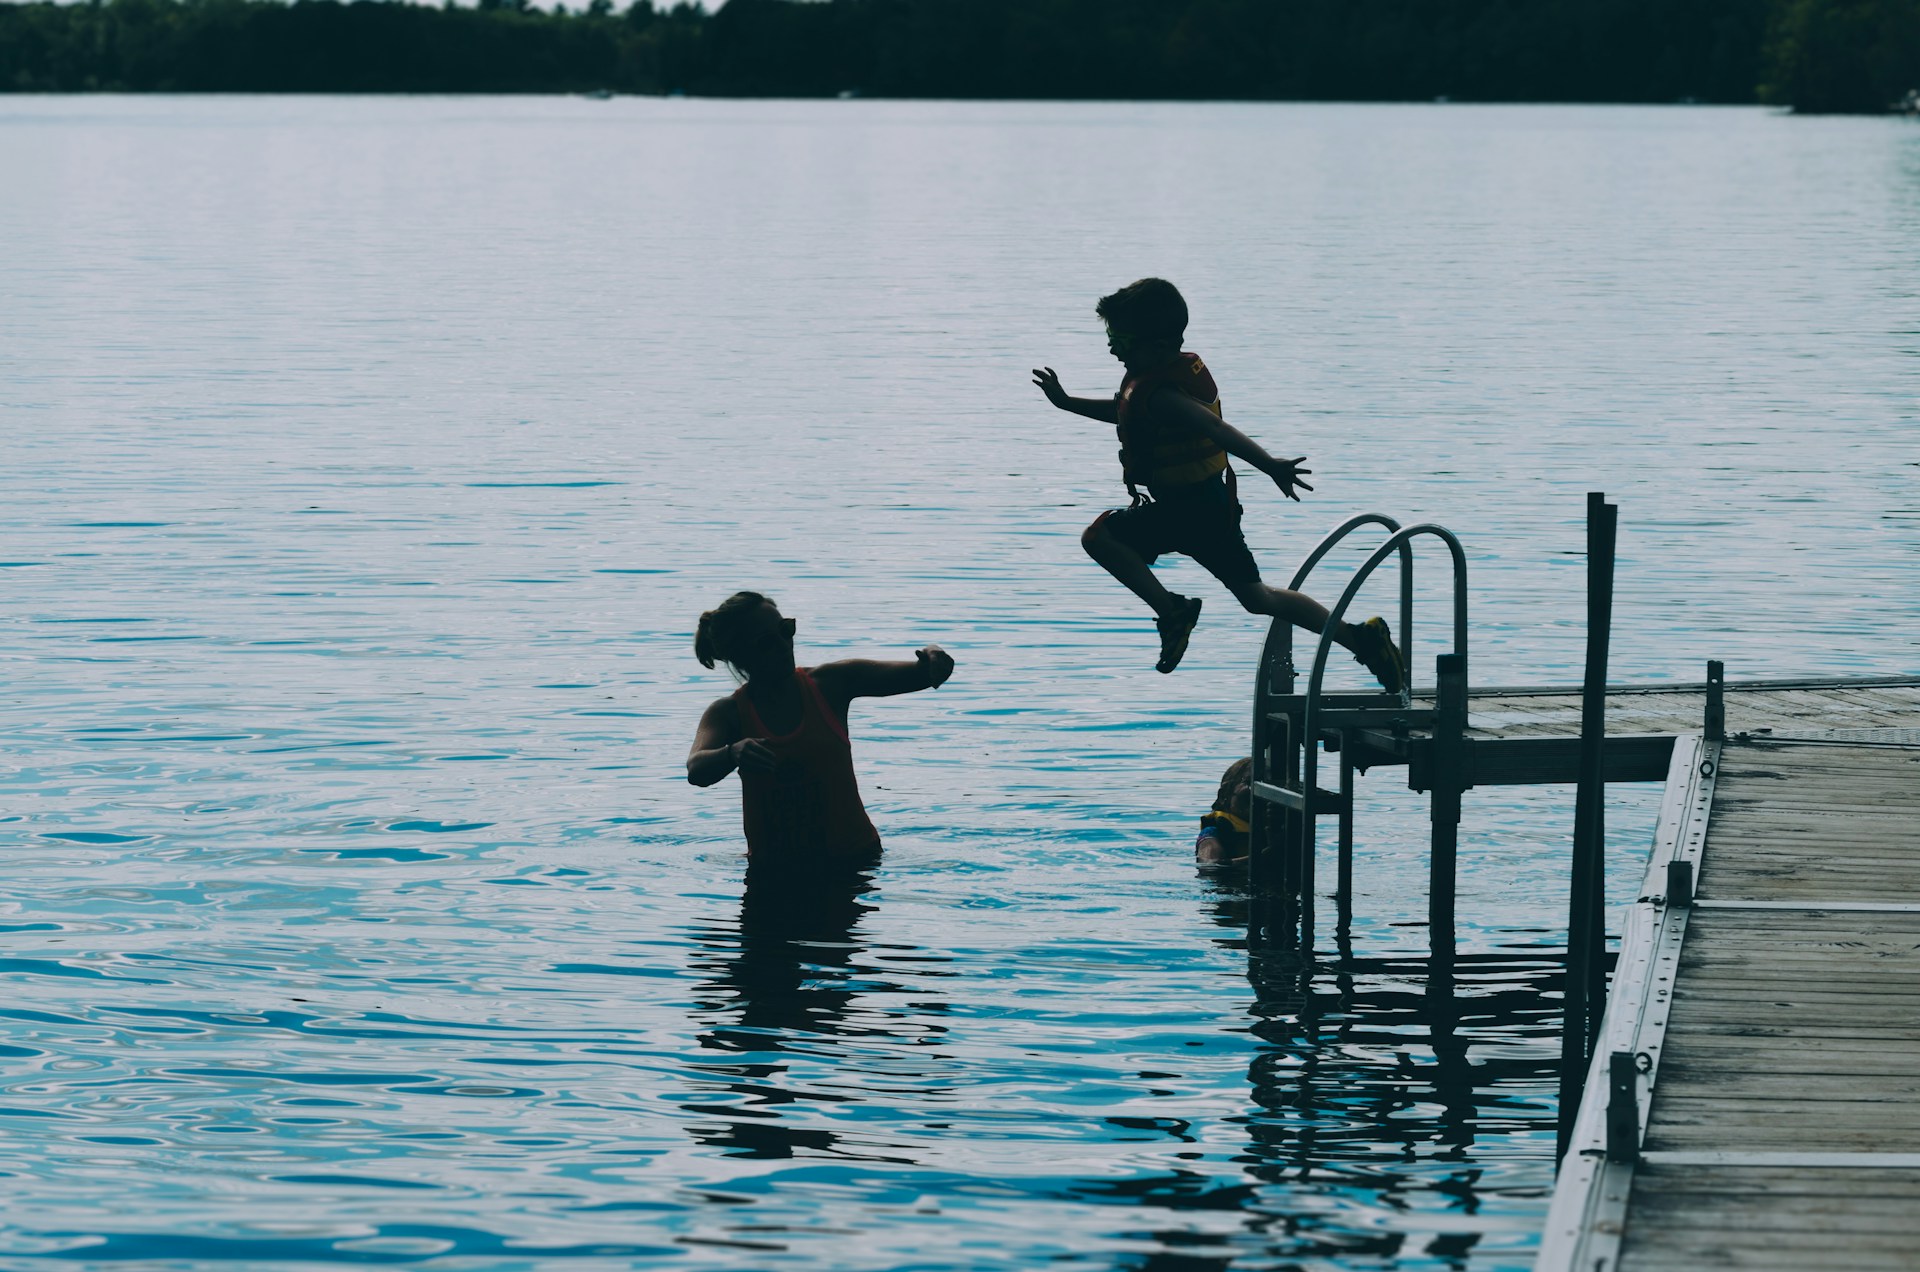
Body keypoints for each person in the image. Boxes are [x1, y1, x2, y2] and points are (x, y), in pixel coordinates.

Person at [1032, 277, 1406, 690]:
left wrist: (1270, 465)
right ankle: (1361, 638)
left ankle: (1173, 610)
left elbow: (1216, 427)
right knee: (1257, 598)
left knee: (1099, 538)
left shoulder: (1164, 394)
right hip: (1211, 507)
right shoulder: (1153, 391)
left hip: (1189, 509)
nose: (1111, 347)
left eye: (1118, 338)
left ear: (1155, 345)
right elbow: (1126, 412)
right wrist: (1067, 403)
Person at [685, 591, 954, 864]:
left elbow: (922, 674)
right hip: (774, 872)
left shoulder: (832, 683)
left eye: (785, 630)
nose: (783, 644)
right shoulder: (728, 713)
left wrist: (934, 654)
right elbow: (696, 770)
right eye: (766, 642)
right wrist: (732, 753)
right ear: (740, 655)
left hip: (854, 863)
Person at [1195, 757, 1253, 867]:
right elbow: (1210, 867)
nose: (1257, 791)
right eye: (1249, 783)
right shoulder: (1213, 834)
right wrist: (1265, 856)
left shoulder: (1277, 831)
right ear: (1223, 796)